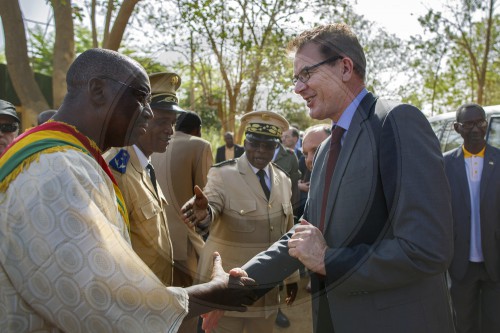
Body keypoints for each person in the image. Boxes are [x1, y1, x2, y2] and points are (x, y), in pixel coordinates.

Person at [0, 48, 255, 333]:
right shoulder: (58, 169)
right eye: (140, 97)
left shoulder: (74, 161)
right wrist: (213, 294)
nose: (147, 112)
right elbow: (100, 300)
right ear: (98, 90)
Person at [235, 23, 454, 333]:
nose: (298, 88)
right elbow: (305, 235)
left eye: (306, 74)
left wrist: (328, 261)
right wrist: (242, 281)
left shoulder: (396, 122)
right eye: (296, 79)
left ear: (345, 68)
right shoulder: (325, 151)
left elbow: (427, 248)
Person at [182, 111, 299, 333]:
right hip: (227, 289)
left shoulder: (283, 179)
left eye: (269, 145)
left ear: (277, 147)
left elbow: (288, 230)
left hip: (265, 292)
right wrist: (204, 213)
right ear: (245, 142)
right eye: (255, 143)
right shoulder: (223, 174)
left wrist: (291, 277)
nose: (261, 151)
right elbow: (212, 206)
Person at [444, 103, 500, 333]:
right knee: (462, 325)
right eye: (469, 124)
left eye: (480, 122)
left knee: (494, 324)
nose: (476, 128)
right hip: (459, 264)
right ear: (458, 128)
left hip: (495, 263)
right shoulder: (444, 164)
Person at [152, 109, 212, 288]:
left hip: (155, 236)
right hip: (185, 242)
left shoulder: (155, 145)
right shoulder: (200, 145)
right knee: (189, 303)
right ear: (197, 129)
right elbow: (204, 194)